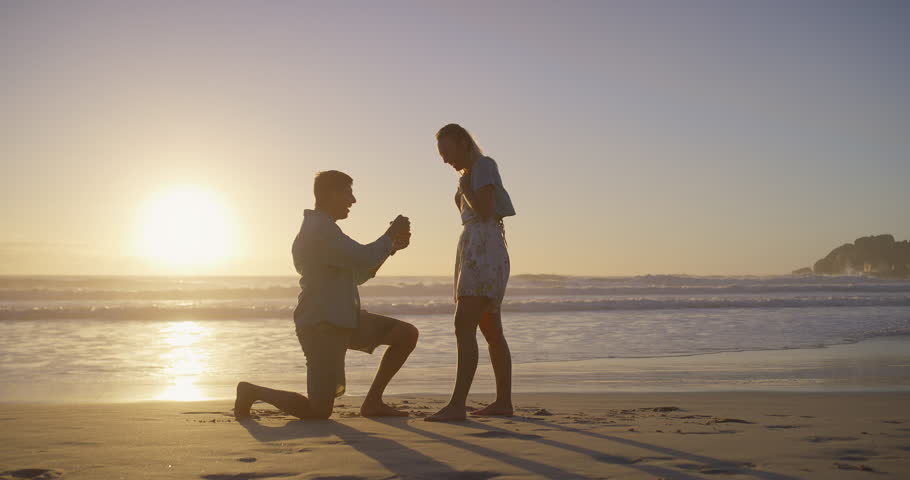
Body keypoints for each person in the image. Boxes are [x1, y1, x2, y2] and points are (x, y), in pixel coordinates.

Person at [234, 170, 418, 420]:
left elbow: (358, 275)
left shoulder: (327, 230)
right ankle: (252, 391)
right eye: (348, 192)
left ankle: (373, 402)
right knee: (318, 411)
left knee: (406, 334)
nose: (353, 200)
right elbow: (364, 257)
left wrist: (390, 247)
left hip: (345, 320)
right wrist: (388, 237)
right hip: (321, 326)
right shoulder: (318, 230)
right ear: (332, 193)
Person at [426, 124, 517, 422]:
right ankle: (503, 402)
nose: (444, 160)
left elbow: (487, 212)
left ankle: (457, 405)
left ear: (463, 143)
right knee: (491, 330)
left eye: (447, 151)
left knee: (463, 326)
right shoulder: (469, 174)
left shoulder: (484, 166)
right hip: (475, 248)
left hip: (484, 250)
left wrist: (465, 190)